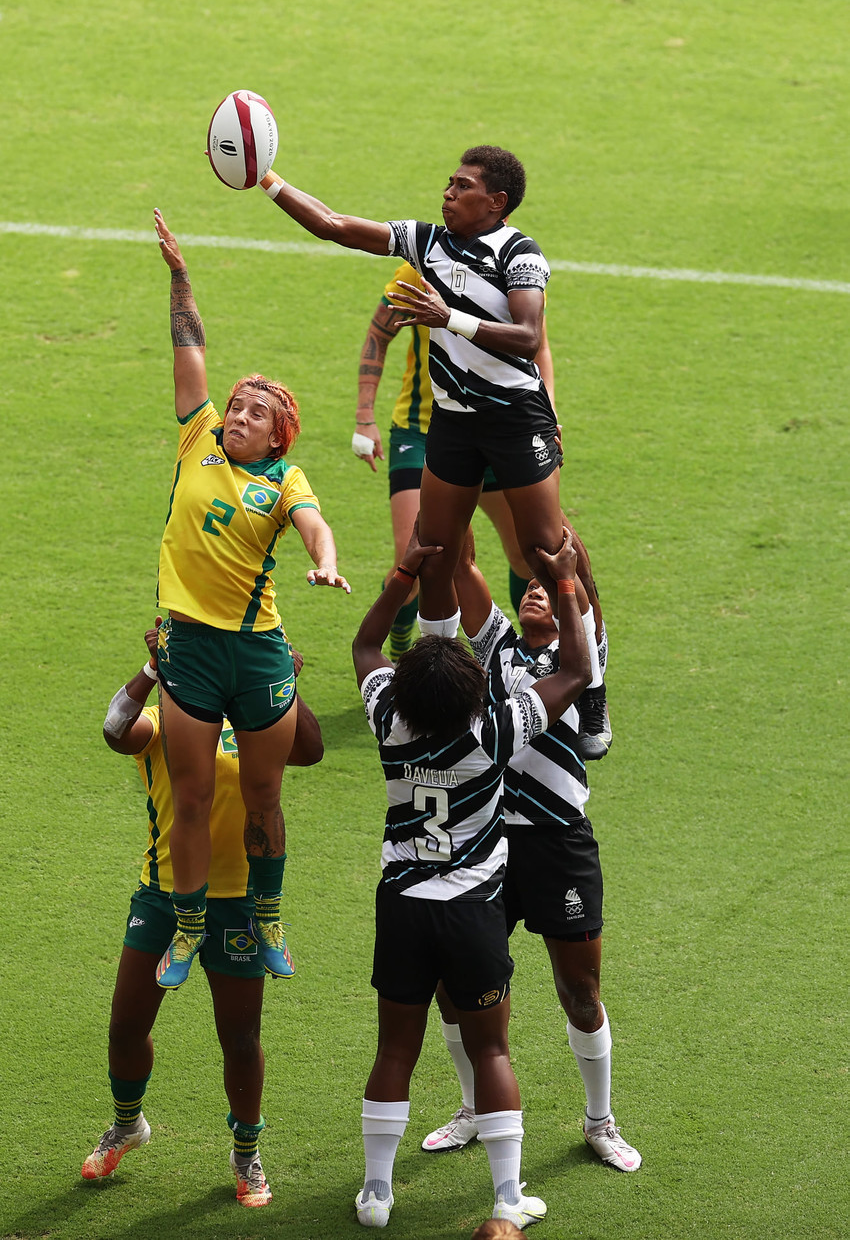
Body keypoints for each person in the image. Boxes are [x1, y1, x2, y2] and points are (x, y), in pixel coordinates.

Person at [351, 523, 590, 1230]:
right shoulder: (494, 729)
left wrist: (403, 580)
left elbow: (366, 648)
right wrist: (568, 583)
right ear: (470, 690)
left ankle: (375, 1192)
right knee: (491, 1047)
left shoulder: (392, 721)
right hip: (469, 911)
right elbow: (574, 669)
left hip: (400, 905)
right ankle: (509, 1196)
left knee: (395, 1047)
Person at [151, 209, 349, 991]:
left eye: (254, 413)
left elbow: (314, 525)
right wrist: (179, 274)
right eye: (236, 406)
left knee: (264, 794)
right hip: (190, 647)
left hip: (257, 649)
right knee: (192, 797)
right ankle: (189, 927)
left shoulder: (284, 481)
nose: (236, 415)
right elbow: (190, 348)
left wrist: (327, 562)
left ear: (278, 437)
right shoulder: (195, 435)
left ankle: (267, 914)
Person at [259, 144, 567, 637]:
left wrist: (450, 318)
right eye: (450, 182)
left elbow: (530, 339)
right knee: (433, 557)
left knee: (544, 552)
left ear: (497, 202)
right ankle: (438, 680)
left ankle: (584, 679)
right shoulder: (425, 244)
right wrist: (266, 179)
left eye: (463, 186)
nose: (447, 192)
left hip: (513, 418)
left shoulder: (519, 252)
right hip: (451, 424)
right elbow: (333, 225)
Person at [419, 536, 641, 1173]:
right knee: (455, 984)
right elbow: (462, 566)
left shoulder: (582, 650)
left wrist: (566, 564)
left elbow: (583, 589)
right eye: (529, 587)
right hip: (486, 842)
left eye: (549, 586)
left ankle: (600, 1120)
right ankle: (470, 1107)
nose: (536, 591)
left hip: (558, 844)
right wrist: (458, 480)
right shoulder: (496, 648)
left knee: (580, 988)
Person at [83, 625, 324, 1206]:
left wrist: (282, 682)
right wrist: (152, 671)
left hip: (241, 903)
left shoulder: (256, 721)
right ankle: (126, 1124)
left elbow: (311, 750)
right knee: (125, 1026)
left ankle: (247, 1155)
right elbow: (116, 729)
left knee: (240, 1039)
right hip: (162, 894)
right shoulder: (168, 722)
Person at [352, 260, 557, 658]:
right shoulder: (420, 268)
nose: (450, 197)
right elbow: (380, 332)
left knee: (528, 555)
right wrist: (364, 416)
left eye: (462, 191)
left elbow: (539, 347)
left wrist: (545, 415)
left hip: (503, 430)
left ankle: (536, 660)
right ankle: (401, 653)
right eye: (452, 191)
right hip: (423, 429)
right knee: (415, 559)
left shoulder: (516, 268)